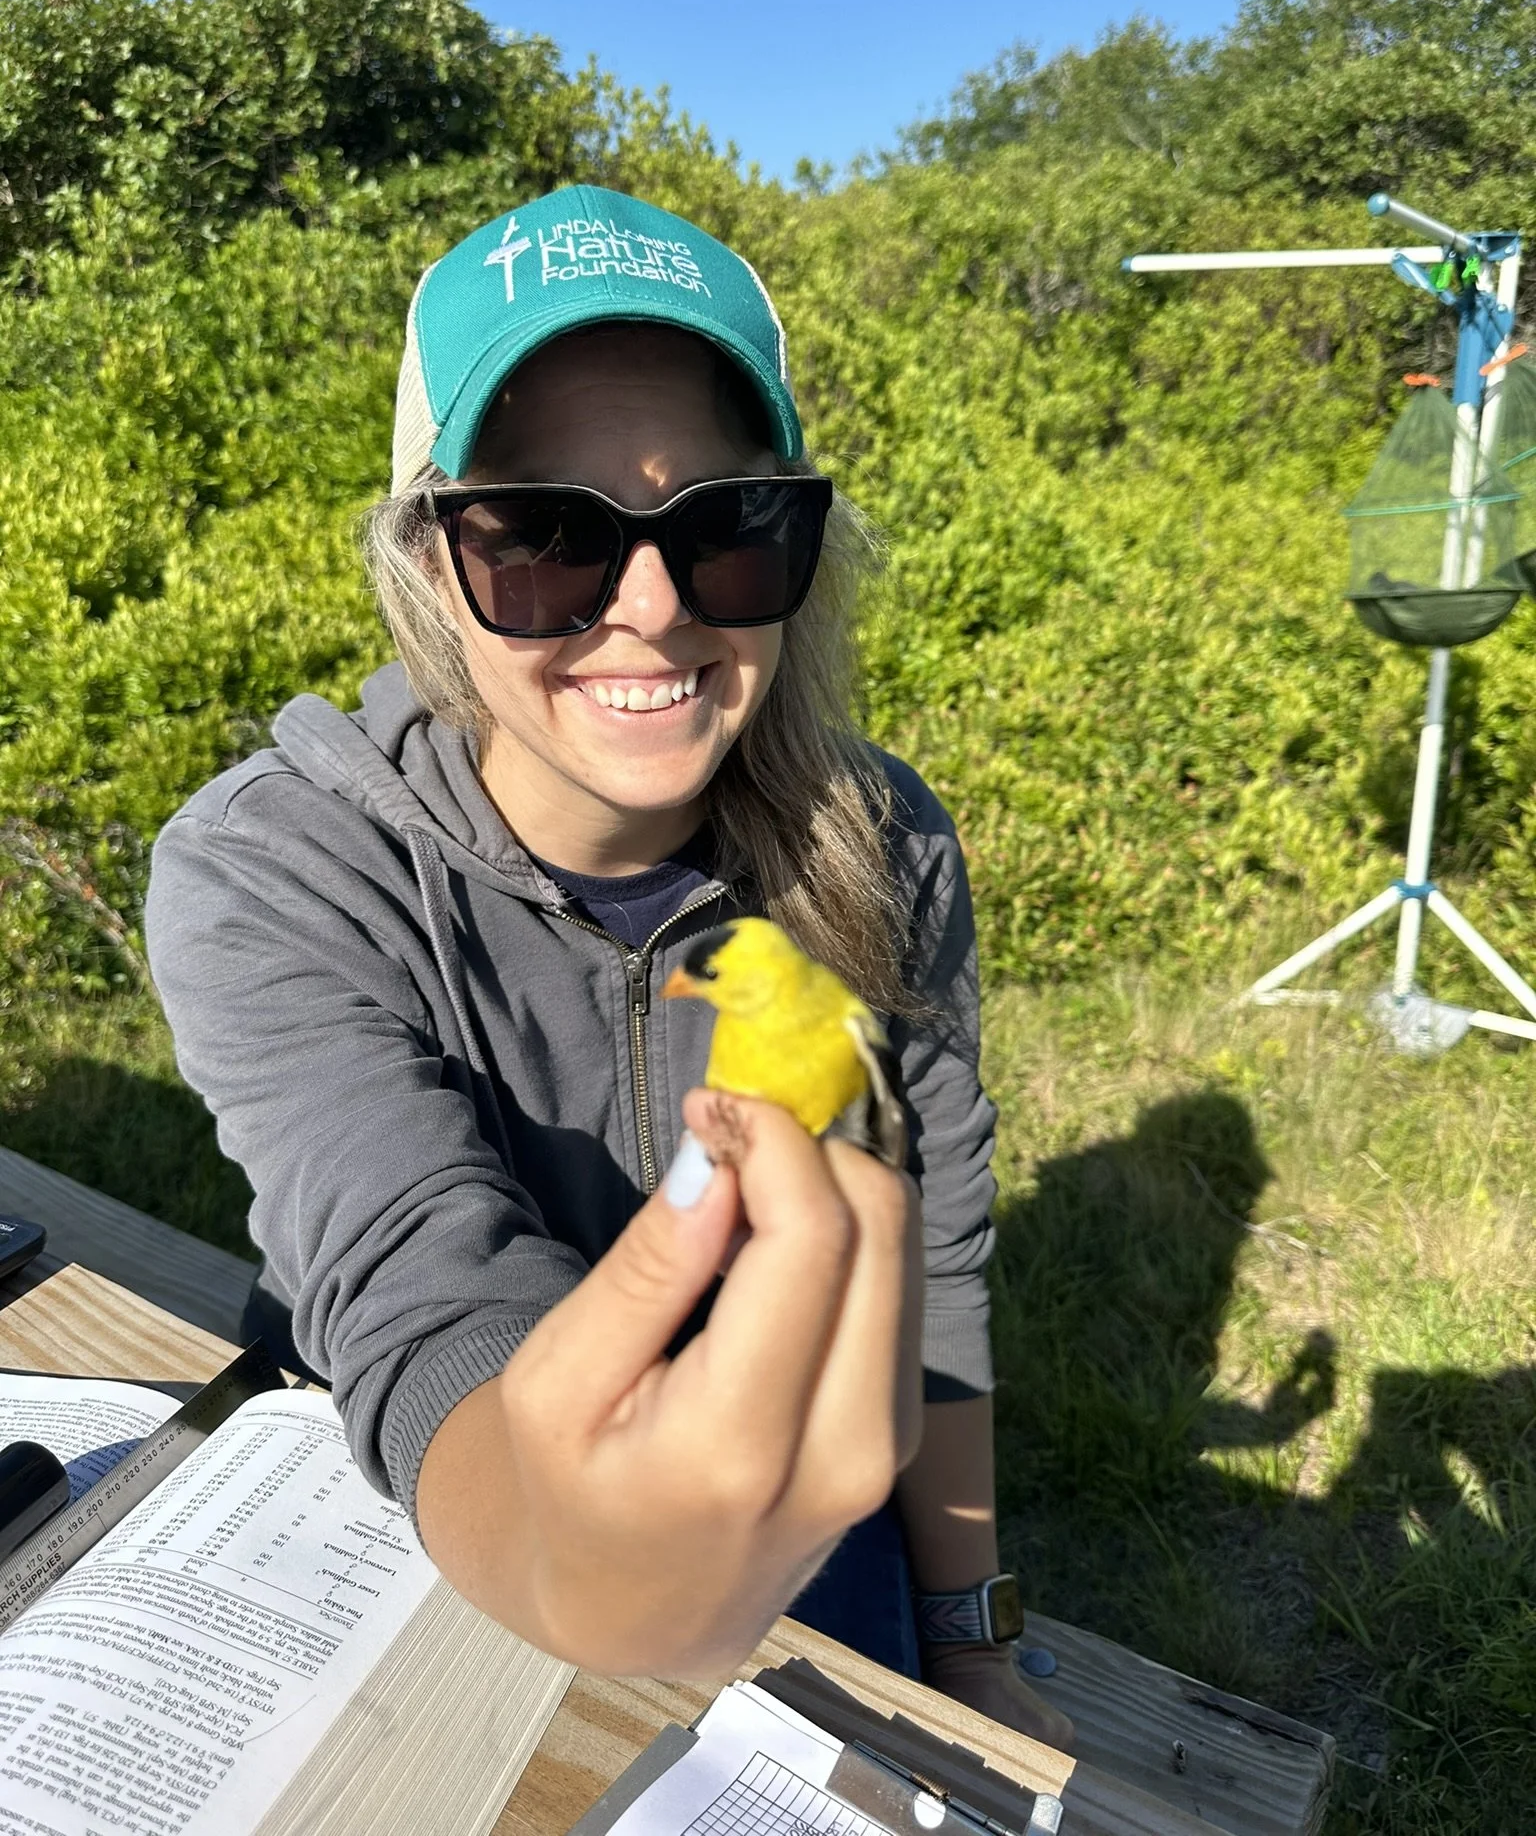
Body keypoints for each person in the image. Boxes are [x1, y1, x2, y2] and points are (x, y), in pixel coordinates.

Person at [145, 184, 1072, 1747]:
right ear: (429, 561)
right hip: (412, 1491)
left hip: (784, 1474)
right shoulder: (279, 863)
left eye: (725, 528)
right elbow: (412, 1277)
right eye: (544, 539)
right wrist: (557, 1533)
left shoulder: (884, 843)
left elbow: (934, 1269)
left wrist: (971, 1642)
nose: (647, 608)